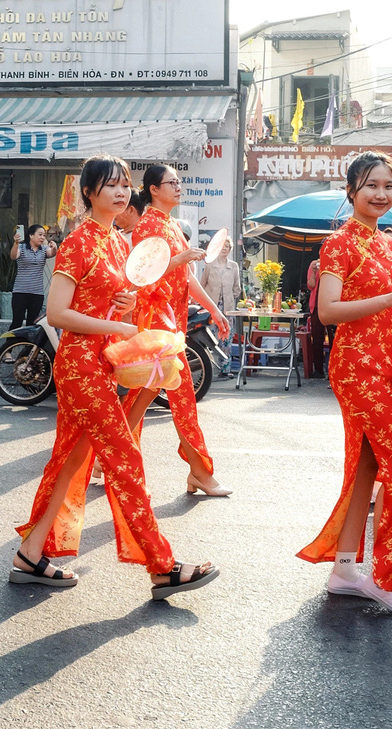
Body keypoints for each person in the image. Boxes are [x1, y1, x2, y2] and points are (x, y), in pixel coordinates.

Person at [13, 154, 218, 599]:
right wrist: (117, 325)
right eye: (110, 185)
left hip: (105, 363)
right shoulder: (78, 242)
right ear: (89, 193)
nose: (121, 192)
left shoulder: (120, 243)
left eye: (125, 184)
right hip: (80, 366)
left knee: (71, 461)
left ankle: (30, 553)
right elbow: (57, 313)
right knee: (123, 458)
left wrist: (122, 309)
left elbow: (112, 298)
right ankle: (162, 566)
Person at [298, 151, 392, 615]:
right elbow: (327, 312)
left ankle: (344, 568)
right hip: (356, 366)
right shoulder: (339, 243)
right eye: (370, 186)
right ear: (351, 191)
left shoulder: (388, 244)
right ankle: (385, 578)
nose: (380, 194)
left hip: (388, 363)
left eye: (387, 186)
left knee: (366, 467)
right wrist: (389, 298)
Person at [122, 165, 233, 497]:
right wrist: (180, 257)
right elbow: (142, 274)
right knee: (182, 397)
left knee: (145, 392)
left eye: (179, 182)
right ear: (154, 189)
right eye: (173, 182)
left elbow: (186, 276)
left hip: (175, 321)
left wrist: (214, 309)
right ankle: (199, 471)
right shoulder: (145, 227)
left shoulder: (171, 225)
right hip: (156, 319)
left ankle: (107, 450)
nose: (179, 186)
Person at [199, 233, 241, 378]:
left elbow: (237, 288)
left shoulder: (234, 266)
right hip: (211, 308)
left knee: (227, 339)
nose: (224, 248)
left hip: (227, 309)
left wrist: (229, 298)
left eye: (227, 246)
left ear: (230, 249)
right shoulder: (210, 264)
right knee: (210, 337)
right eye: (222, 246)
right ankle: (210, 369)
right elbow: (202, 284)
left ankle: (225, 369)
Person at [8, 224, 58, 330]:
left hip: (37, 293)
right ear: (31, 235)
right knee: (17, 322)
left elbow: (51, 253)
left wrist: (55, 248)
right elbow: (13, 256)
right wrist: (16, 243)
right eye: (40, 234)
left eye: (44, 235)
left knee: (32, 324)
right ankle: (10, 345)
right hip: (20, 292)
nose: (42, 237)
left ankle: (29, 346)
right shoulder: (21, 247)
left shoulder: (44, 249)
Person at [306, 258, 336, 378]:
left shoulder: (335, 263)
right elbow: (311, 285)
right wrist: (314, 272)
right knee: (317, 338)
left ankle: (333, 370)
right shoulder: (314, 264)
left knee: (334, 339)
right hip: (317, 306)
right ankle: (318, 369)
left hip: (332, 306)